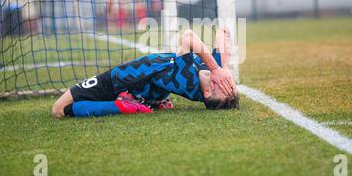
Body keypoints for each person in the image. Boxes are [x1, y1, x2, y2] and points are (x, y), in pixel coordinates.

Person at [51, 28, 239, 118]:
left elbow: (188, 36)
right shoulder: (212, 72)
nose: (224, 81)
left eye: (222, 86)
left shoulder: (188, 78)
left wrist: (216, 69)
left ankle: (122, 105)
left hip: (122, 79)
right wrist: (222, 66)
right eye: (229, 84)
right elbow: (223, 35)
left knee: (58, 109)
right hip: (146, 87)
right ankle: (151, 101)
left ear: (207, 92)